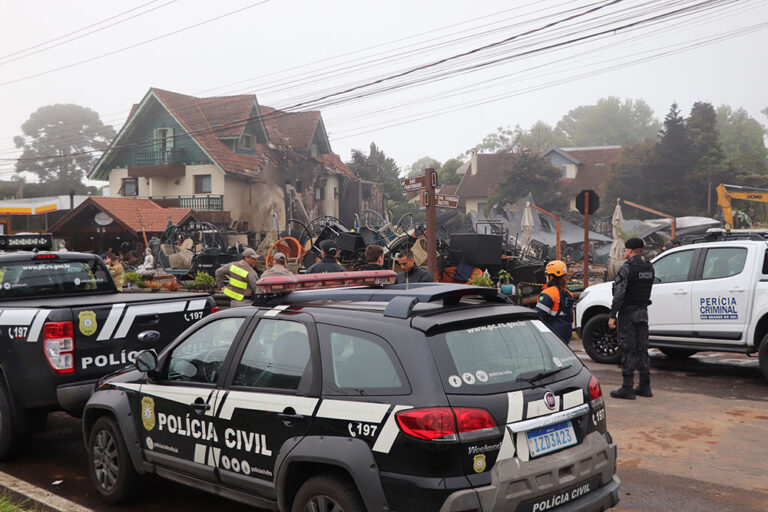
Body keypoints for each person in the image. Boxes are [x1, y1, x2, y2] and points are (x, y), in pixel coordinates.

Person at [608, 237, 655, 400]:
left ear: (629, 250)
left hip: (628, 314)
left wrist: (612, 315)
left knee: (628, 348)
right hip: (643, 312)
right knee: (642, 349)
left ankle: (627, 387)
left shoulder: (627, 268)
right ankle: (645, 385)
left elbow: (619, 294)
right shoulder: (649, 268)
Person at [535, 260, 574, 344]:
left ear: (551, 277)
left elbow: (539, 316)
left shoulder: (548, 293)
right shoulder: (568, 293)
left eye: (547, 275)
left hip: (551, 335)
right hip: (565, 335)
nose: (546, 277)